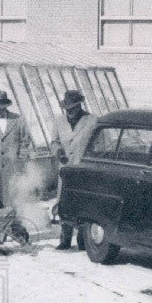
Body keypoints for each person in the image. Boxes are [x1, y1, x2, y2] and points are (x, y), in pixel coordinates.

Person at [51, 90, 98, 250]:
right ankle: (65, 239)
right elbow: (54, 141)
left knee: (82, 204)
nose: (69, 112)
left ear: (79, 106)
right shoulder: (59, 121)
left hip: (83, 171)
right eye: (67, 108)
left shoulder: (92, 121)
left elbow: (99, 146)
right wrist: (57, 151)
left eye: (72, 108)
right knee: (63, 202)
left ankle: (82, 239)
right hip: (65, 170)